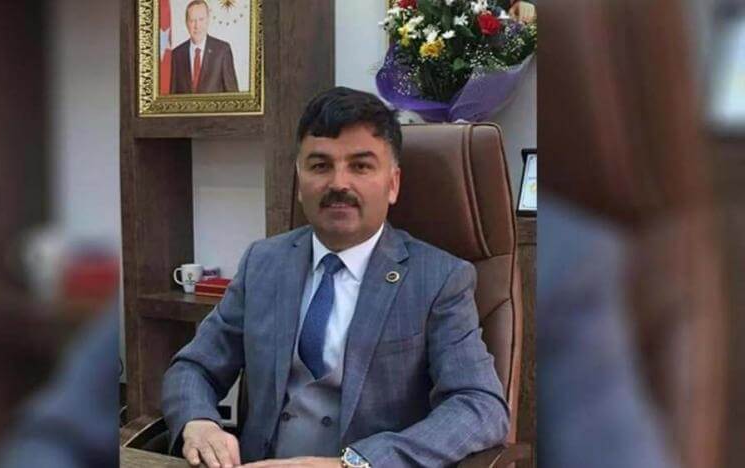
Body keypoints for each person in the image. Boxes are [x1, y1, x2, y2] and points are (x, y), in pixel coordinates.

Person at [162, 87, 509, 468]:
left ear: (393, 183)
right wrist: (199, 422)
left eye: (360, 166)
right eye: (320, 166)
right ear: (299, 181)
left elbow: (480, 406)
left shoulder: (439, 279)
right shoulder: (263, 262)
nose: (339, 184)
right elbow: (194, 367)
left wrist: (356, 464)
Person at [170, 0, 238, 94]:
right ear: (186, 23)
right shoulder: (176, 54)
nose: (197, 26)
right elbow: (172, 97)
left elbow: (233, 96)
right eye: (192, 20)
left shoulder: (222, 51)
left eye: (201, 19)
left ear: (208, 20)